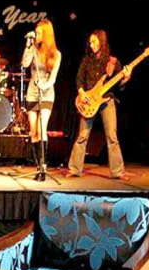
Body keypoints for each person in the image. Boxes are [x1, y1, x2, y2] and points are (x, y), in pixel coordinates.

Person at [67, 30, 132, 179]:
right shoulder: (86, 60)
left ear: (101, 42)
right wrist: (82, 93)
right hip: (89, 101)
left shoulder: (112, 61)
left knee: (112, 136)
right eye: (90, 42)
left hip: (107, 100)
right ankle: (74, 169)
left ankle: (118, 172)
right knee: (82, 135)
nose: (91, 45)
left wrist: (126, 77)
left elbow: (120, 85)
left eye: (94, 42)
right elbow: (79, 79)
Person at [21, 19, 61, 181]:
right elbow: (25, 64)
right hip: (32, 92)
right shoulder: (33, 50)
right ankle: (38, 166)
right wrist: (28, 45)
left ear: (46, 35)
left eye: (38, 33)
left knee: (41, 127)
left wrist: (44, 85)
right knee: (33, 131)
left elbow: (53, 78)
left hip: (46, 93)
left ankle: (44, 166)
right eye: (36, 33)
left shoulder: (56, 54)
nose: (36, 35)